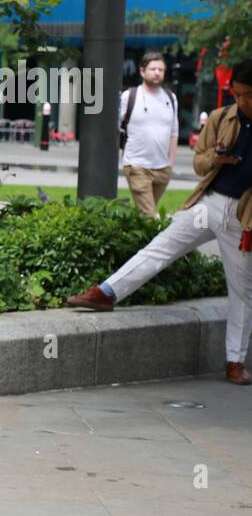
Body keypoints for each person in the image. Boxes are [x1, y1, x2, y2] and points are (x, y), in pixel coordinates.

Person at [68, 58, 252, 385]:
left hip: (242, 218)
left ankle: (234, 362)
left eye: (248, 95)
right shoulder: (224, 117)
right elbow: (199, 163)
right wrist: (216, 158)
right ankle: (106, 292)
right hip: (208, 204)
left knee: (241, 292)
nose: (242, 101)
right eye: (237, 94)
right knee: (159, 247)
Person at [119, 51, 179, 216]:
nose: (157, 73)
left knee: (143, 215)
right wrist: (125, 158)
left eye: (161, 69)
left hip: (162, 168)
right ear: (142, 71)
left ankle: (130, 238)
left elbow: (174, 131)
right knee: (148, 215)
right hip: (137, 165)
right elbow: (117, 128)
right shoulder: (129, 96)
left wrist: (171, 164)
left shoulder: (170, 98)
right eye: (153, 69)